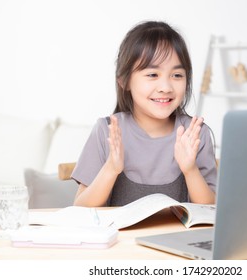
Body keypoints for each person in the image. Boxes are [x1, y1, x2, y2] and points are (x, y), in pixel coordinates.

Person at [72, 21, 217, 207]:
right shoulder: (107, 131)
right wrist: (111, 169)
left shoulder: (196, 133)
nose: (166, 87)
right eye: (152, 75)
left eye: (177, 75)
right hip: (122, 237)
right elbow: (80, 208)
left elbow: (211, 210)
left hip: (175, 237)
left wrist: (190, 170)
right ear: (124, 81)